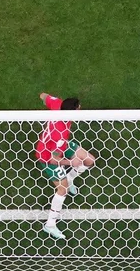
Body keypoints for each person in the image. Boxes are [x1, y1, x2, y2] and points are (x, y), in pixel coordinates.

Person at [35, 93, 96, 240]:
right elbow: (54, 159)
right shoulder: (60, 132)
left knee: (89, 160)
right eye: (78, 108)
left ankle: (69, 178)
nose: (80, 109)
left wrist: (45, 99)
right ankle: (50, 224)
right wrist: (70, 162)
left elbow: (43, 96)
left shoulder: (57, 104)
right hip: (47, 156)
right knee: (63, 190)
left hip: (59, 145)